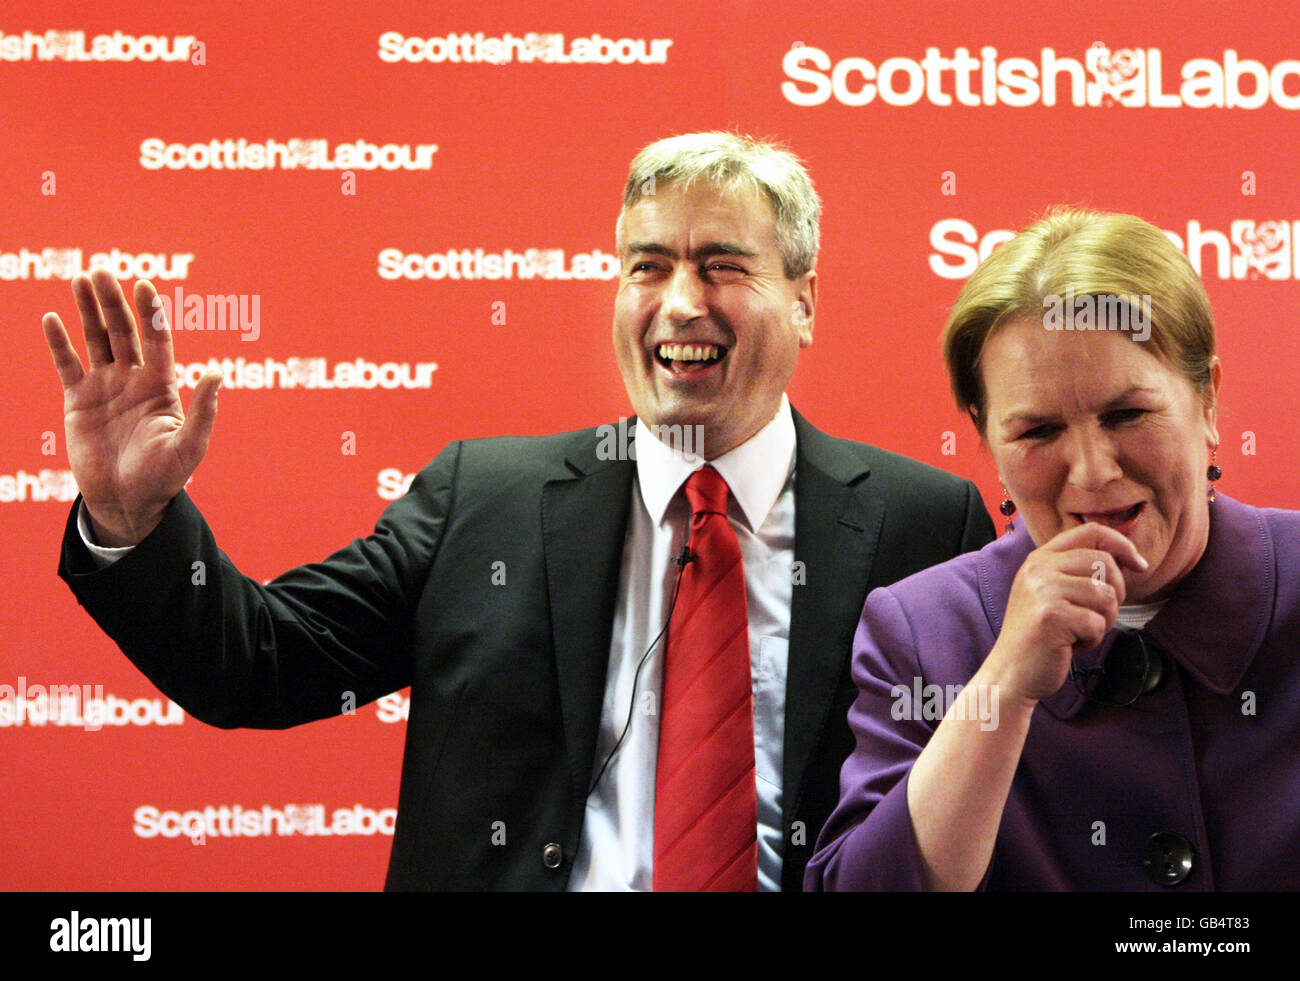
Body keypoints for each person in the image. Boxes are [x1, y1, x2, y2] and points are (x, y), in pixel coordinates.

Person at [45, 131, 994, 892]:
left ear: (805, 300)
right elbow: (257, 665)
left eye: (722, 266)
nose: (678, 304)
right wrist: (133, 522)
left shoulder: (922, 524)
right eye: (647, 266)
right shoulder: (482, 499)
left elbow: (973, 812)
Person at [806, 206, 1300, 891]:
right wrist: (1003, 689)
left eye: (1127, 414)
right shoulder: (924, 631)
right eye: (1038, 430)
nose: (1093, 471)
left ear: (1207, 402)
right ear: (987, 439)